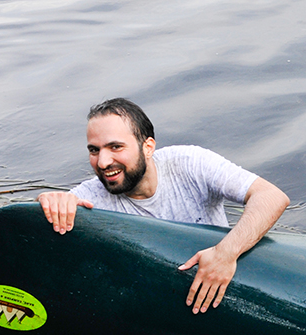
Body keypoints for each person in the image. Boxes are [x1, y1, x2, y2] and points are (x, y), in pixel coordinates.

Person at [36, 98, 290, 314]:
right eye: (94, 150)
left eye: (115, 147)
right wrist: (51, 203)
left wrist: (226, 253)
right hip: (155, 305)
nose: (102, 162)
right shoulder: (90, 197)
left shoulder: (190, 163)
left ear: (148, 147)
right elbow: (41, 233)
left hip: (218, 289)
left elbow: (271, 197)